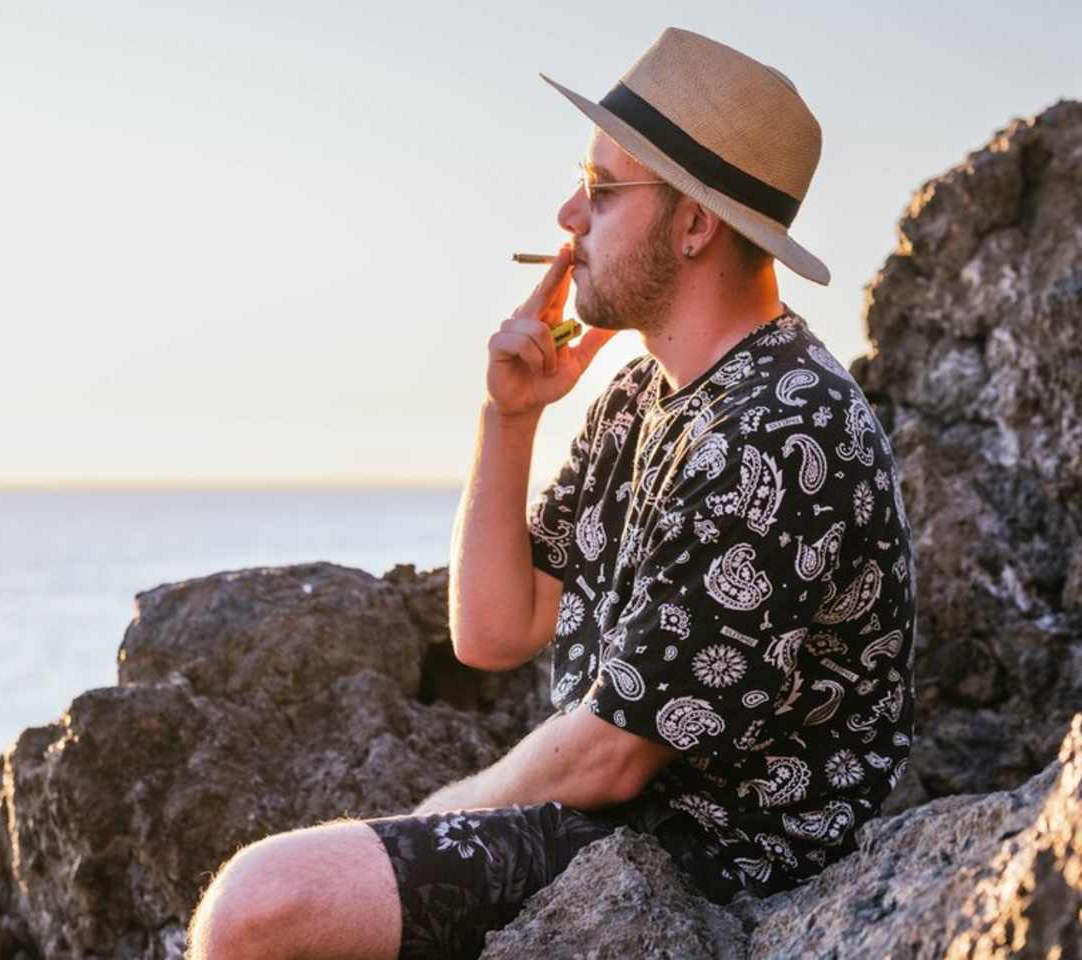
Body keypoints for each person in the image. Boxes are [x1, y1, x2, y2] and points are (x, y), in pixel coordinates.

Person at [185, 25, 915, 960]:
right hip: (622, 826)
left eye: (605, 190)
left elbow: (615, 753)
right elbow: (494, 630)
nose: (569, 215)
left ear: (694, 223)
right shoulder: (642, 394)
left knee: (262, 905)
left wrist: (435, 816)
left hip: (721, 869)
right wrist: (511, 418)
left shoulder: (782, 428)